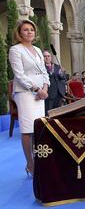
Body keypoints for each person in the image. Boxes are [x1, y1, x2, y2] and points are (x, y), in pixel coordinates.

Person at [8, 19, 50, 177]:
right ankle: (30, 165)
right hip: (26, 93)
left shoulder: (38, 50)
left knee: (38, 128)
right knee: (27, 130)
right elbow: (19, 75)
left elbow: (44, 71)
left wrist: (45, 87)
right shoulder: (15, 50)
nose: (29, 32)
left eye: (31, 29)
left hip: (41, 94)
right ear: (19, 33)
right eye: (25, 30)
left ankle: (38, 161)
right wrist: (36, 89)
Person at [43, 50, 66, 115]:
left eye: (48, 56)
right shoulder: (41, 67)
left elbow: (63, 78)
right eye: (45, 56)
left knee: (58, 113)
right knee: (48, 113)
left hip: (59, 93)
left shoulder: (57, 66)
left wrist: (61, 73)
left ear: (51, 57)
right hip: (49, 93)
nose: (47, 57)